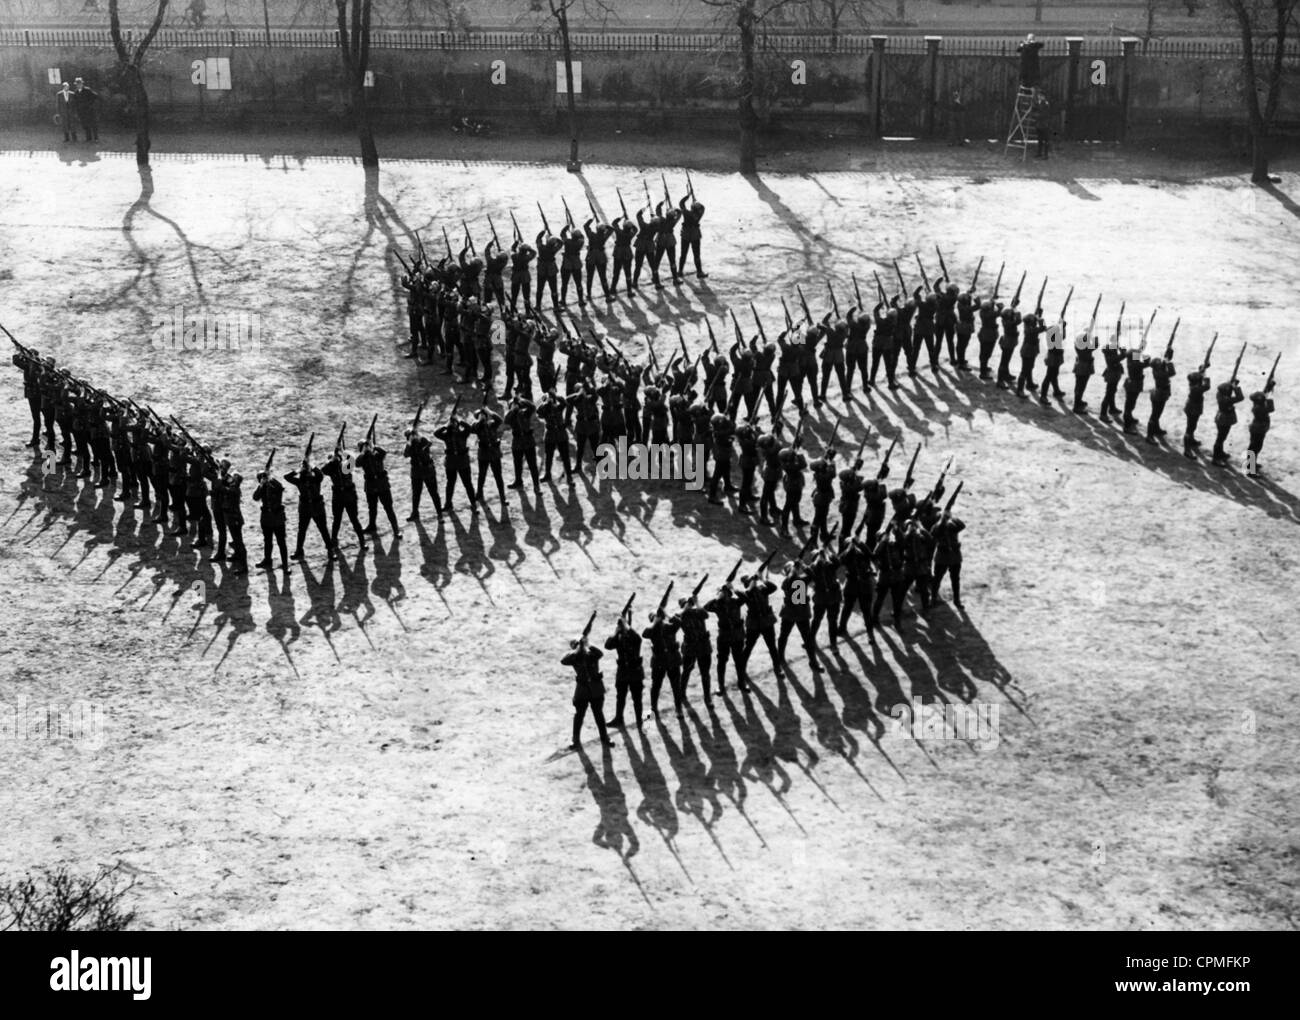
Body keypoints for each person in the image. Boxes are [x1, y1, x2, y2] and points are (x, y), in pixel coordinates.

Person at [562, 635, 612, 751]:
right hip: (582, 691)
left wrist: (588, 644)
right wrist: (576, 650)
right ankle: (575, 740)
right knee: (579, 716)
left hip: (595, 690)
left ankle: (605, 738)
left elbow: (600, 654)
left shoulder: (592, 654)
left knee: (599, 715)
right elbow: (563, 661)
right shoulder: (574, 657)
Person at [71, 78, 98, 142]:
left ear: (82, 84)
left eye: (80, 84)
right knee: (85, 125)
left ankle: (96, 138)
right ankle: (89, 138)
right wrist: (77, 110)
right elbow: (75, 102)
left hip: (90, 111)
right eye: (77, 84)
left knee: (93, 124)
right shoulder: (76, 92)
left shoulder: (87, 90)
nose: (78, 85)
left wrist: (90, 104)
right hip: (82, 112)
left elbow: (95, 96)